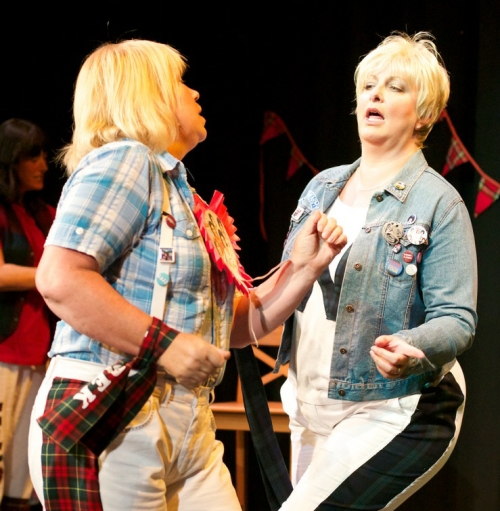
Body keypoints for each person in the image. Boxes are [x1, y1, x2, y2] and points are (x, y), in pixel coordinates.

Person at [27, 39, 347, 511]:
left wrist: (305, 268)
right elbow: (60, 278)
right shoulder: (126, 159)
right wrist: (167, 346)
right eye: (180, 82)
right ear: (147, 94)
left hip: (186, 418)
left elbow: (233, 327)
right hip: (113, 408)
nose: (195, 93)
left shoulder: (178, 192)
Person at [274, 32, 477, 510]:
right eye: (368, 86)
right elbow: (290, 283)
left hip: (390, 404)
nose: (376, 95)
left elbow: (458, 319)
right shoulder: (321, 186)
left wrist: (414, 344)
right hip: (307, 399)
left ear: (423, 114)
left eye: (394, 87)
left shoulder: (439, 201)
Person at [0, 118, 55, 511]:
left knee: (24, 472)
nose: (43, 165)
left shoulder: (40, 212)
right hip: (4, 353)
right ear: (11, 159)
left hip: (38, 354)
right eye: (33, 156)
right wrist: (56, 277)